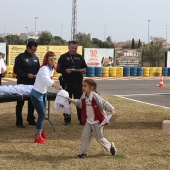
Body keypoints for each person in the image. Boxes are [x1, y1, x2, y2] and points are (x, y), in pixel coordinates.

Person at [68, 79, 117, 158]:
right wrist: (72, 100)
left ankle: (111, 146)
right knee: (85, 136)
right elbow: (80, 103)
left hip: (98, 121)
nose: (83, 87)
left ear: (91, 87)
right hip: (89, 121)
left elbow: (104, 103)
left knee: (99, 138)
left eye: (85, 86)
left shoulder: (95, 96)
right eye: (82, 86)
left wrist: (111, 109)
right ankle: (83, 153)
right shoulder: (83, 96)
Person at [30, 51, 61, 144]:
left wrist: (54, 84)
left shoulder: (51, 69)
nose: (53, 60)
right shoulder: (44, 69)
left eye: (55, 58)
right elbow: (46, 80)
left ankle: (40, 131)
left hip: (43, 93)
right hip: (36, 94)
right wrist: (54, 84)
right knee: (42, 114)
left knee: (42, 115)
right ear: (47, 60)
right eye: (51, 58)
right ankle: (38, 136)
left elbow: (48, 80)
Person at [57, 41, 87, 125]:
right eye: (72, 48)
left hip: (78, 83)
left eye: (75, 48)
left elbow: (85, 67)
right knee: (66, 101)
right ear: (68, 47)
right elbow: (58, 69)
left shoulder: (80, 57)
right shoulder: (63, 57)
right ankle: (67, 120)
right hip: (66, 83)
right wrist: (65, 70)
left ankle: (81, 120)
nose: (74, 50)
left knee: (80, 102)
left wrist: (84, 70)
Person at [14, 41, 40, 128]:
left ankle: (31, 119)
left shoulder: (36, 58)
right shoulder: (20, 57)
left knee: (32, 102)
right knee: (20, 102)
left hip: (33, 83)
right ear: (27, 48)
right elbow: (16, 70)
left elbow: (38, 70)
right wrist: (26, 75)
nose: (33, 52)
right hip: (22, 83)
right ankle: (19, 121)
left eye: (35, 50)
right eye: (32, 50)